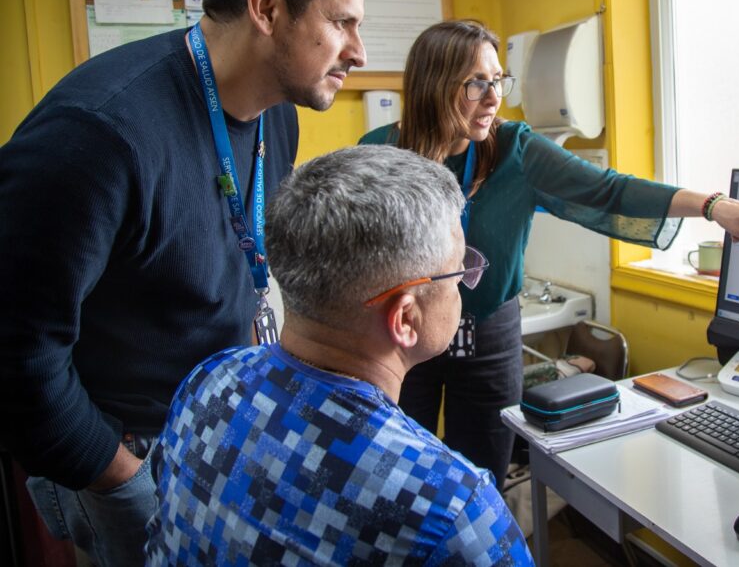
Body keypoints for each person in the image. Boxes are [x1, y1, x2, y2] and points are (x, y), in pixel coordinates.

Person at [0, 0, 375, 566]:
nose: (359, 51)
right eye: (341, 22)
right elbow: (17, 357)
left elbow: (239, 260)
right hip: (128, 458)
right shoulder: (97, 135)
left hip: (221, 433)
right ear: (267, 7)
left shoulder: (278, 116)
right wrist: (122, 479)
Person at [360, 19, 739, 486]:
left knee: (482, 477)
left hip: (488, 333)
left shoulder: (514, 150)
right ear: (434, 85)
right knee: (395, 471)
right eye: (476, 84)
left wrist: (713, 207)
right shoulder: (379, 154)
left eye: (498, 81)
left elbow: (610, 190)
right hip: (402, 333)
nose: (493, 99)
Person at [145, 145, 533, 565]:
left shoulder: (209, 381)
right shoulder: (450, 506)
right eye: (458, 272)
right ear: (406, 318)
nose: (463, 285)